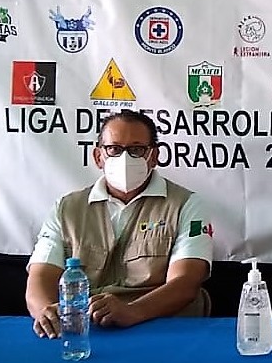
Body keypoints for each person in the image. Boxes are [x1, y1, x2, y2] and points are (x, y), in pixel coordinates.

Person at [26, 111, 212, 338]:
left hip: (162, 329)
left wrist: (133, 311)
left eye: (137, 149)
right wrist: (47, 313)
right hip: (87, 330)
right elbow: (40, 275)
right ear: (98, 156)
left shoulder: (186, 204)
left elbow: (186, 282)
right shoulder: (67, 208)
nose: (125, 158)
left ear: (154, 156)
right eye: (114, 149)